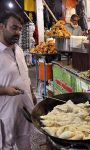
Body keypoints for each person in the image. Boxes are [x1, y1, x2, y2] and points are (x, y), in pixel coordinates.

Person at [0, 11, 34, 149]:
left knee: (26, 144)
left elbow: (24, 75)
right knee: (7, 146)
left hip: (25, 109)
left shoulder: (18, 49)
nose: (18, 32)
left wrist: (32, 95)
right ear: (1, 27)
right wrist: (5, 90)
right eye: (14, 28)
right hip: (6, 113)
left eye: (20, 29)